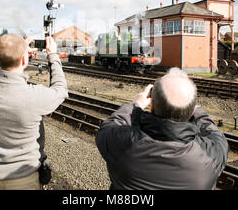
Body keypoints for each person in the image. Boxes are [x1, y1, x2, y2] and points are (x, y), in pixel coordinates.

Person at [96, 67, 229, 190]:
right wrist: (191, 104)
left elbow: (111, 124)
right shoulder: (214, 153)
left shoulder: (122, 144)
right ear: (192, 111)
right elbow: (212, 130)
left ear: (152, 105)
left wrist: (136, 105)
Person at [0, 34, 68, 190]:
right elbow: (60, 89)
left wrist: (14, 50)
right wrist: (53, 55)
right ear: (25, 60)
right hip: (25, 180)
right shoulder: (34, 96)